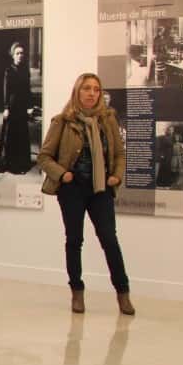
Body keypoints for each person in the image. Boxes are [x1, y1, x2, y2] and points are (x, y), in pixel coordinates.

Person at [37, 73, 133, 315]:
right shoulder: (62, 121)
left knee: (109, 240)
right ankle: (77, 292)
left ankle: (123, 293)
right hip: (72, 189)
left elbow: (119, 154)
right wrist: (63, 175)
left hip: (101, 188)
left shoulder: (107, 120)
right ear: (77, 91)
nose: (92, 93)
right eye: (87, 88)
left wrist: (116, 176)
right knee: (74, 240)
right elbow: (44, 157)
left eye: (96, 89)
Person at [0, 41, 34, 174]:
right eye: (17, 53)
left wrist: (30, 106)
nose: (20, 55)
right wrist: (6, 107)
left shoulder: (25, 70)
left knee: (22, 133)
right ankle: (9, 162)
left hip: (22, 106)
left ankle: (21, 162)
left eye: (22, 53)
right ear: (13, 55)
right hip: (12, 105)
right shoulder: (9, 71)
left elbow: (28, 90)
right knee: (10, 134)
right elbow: (6, 90)